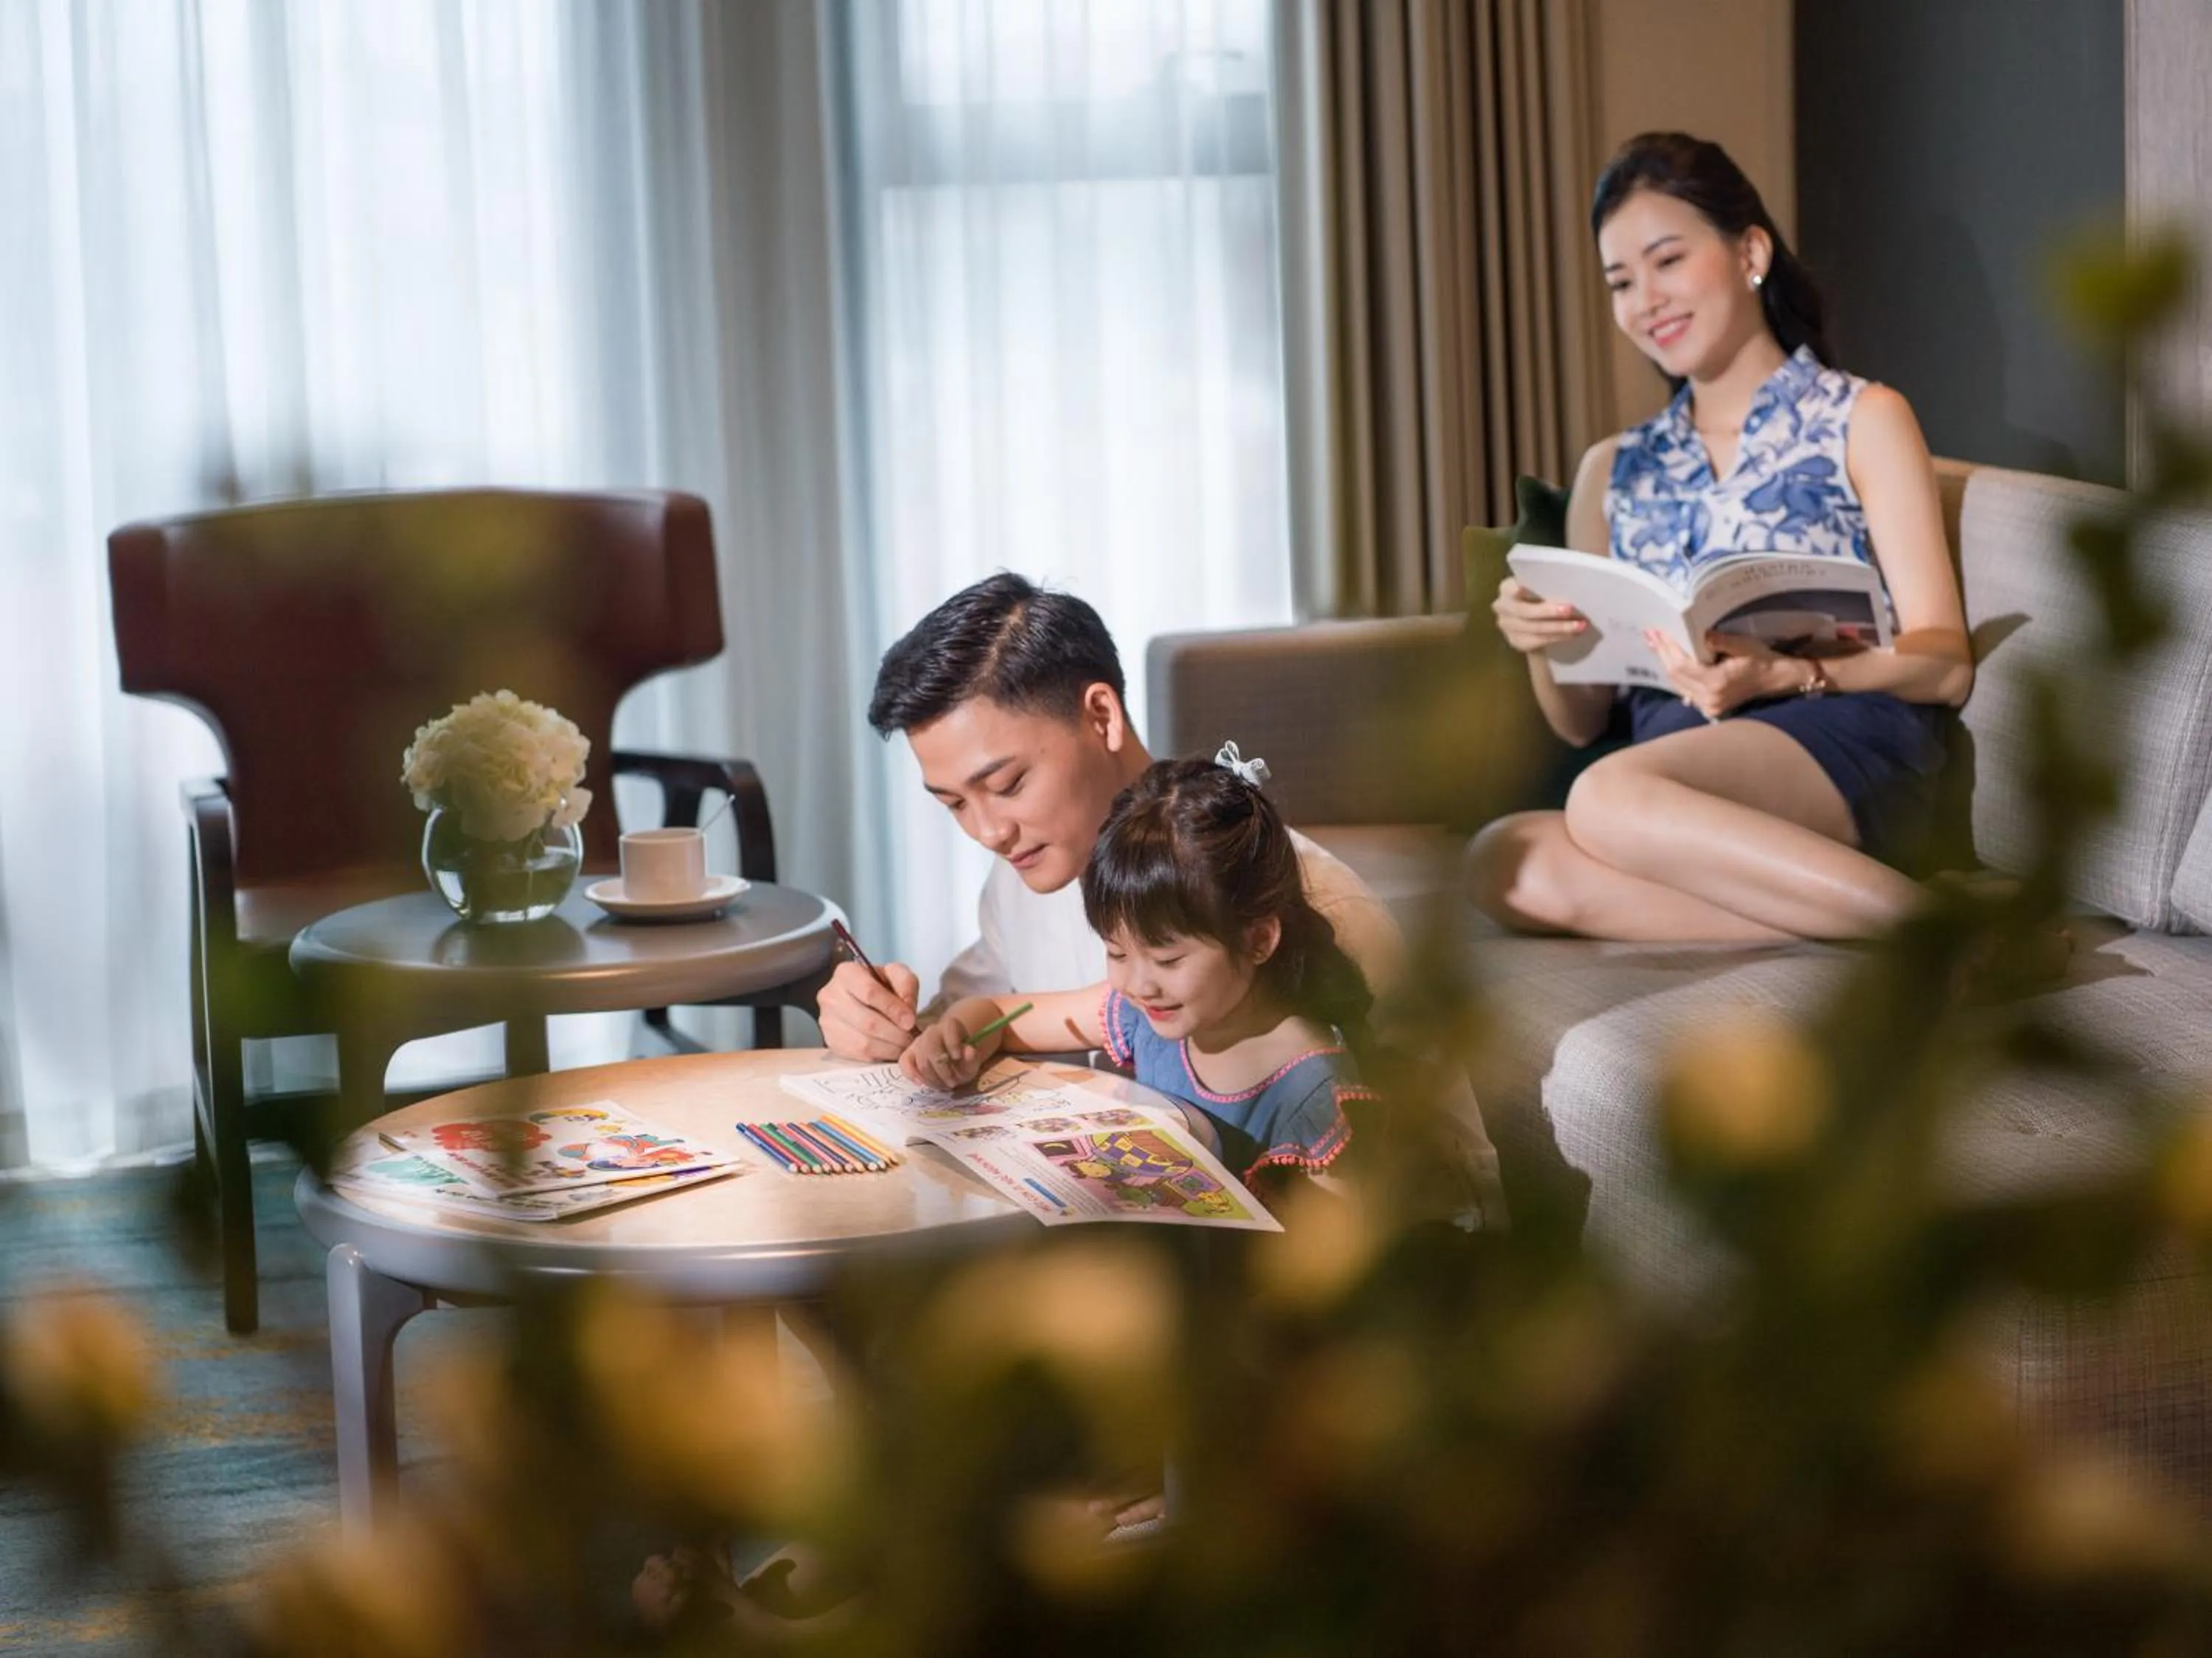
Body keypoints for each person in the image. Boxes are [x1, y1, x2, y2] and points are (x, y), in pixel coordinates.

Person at [1466, 131, 1978, 943]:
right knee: (1505, 859)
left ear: (1751, 252)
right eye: (1622, 281)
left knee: (1601, 795)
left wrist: (1793, 670)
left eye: (1668, 261)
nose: (1647, 300)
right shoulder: (1615, 469)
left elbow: (1946, 665)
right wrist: (1541, 638)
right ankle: (1873, 913)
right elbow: (1578, 720)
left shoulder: (1863, 417)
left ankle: (1935, 936)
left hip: (1828, 738)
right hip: (1673, 766)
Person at [818, 572, 1405, 1062]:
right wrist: (876, 1022)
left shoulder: (1295, 896)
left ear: (1101, 716)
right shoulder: (1022, 874)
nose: (988, 832)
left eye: (1007, 784)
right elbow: (961, 1025)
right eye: (953, 804)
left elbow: (1446, 1173)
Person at [901, 754, 1377, 1199]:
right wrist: (955, 1035)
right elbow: (998, 1016)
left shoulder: (1314, 1093)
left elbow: (1340, 1272)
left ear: (1256, 941)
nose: (1140, 984)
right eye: (1116, 952)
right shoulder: (1142, 1014)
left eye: (1168, 961)